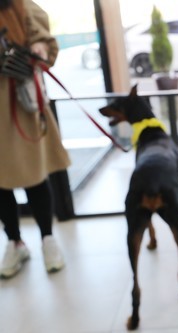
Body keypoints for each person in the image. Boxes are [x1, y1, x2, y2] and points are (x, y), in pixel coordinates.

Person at [0, 0, 70, 278]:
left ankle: (47, 239)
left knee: (36, 175)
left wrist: (39, 49)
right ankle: (15, 242)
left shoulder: (21, 6)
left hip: (22, 100)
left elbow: (44, 41)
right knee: (1, 183)